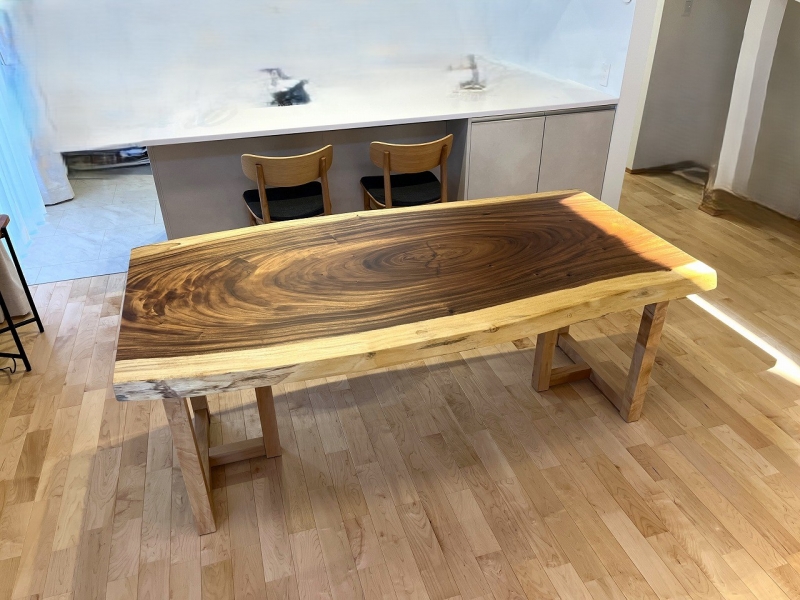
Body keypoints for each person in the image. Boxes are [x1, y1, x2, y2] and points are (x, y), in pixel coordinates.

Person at [1, 6, 73, 206]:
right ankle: (42, 191)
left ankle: (50, 190)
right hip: (16, 73)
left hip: (17, 75)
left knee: (33, 134)